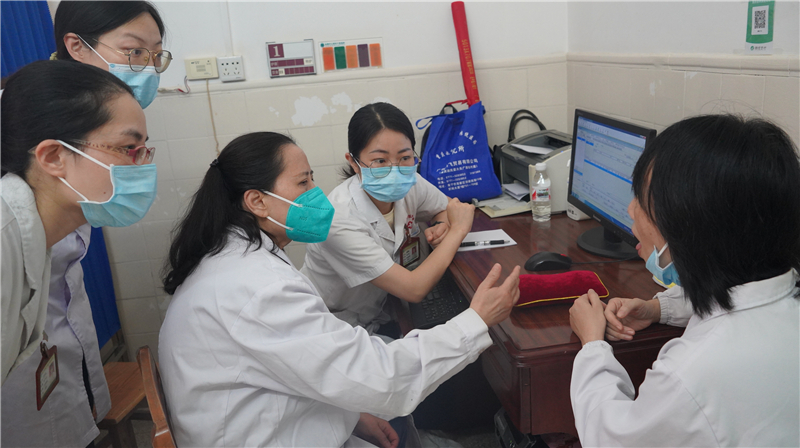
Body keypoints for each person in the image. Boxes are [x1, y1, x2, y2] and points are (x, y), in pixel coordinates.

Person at [159, 132, 521, 447]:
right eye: (303, 183)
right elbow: (382, 377)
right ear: (257, 201)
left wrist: (350, 417)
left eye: (312, 179)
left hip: (273, 416)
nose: (316, 194)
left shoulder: (235, 257)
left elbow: (300, 368)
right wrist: (475, 321)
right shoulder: (258, 288)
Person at [568, 114, 800, 446]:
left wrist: (592, 345)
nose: (631, 211)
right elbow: (739, 298)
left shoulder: (691, 374)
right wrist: (657, 309)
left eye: (643, 202)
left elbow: (610, 437)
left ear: (692, 229)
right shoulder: (781, 290)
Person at [1, 3, 167, 447]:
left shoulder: (84, 149)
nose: (148, 69)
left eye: (156, 55)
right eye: (134, 52)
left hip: (48, 351)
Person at [302, 102, 468, 337]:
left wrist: (442, 224)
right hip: (337, 325)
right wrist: (457, 231)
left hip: (385, 309)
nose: (395, 170)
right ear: (353, 162)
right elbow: (414, 289)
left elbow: (447, 208)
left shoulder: (410, 183)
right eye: (380, 161)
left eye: (405, 157)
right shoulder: (337, 218)